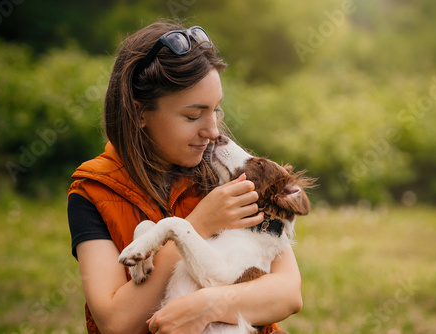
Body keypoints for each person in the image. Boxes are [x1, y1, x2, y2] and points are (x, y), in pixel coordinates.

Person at [67, 21, 302, 334]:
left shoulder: (225, 174)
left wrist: (208, 307)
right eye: (193, 116)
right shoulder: (93, 191)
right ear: (139, 114)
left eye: (216, 110)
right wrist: (200, 224)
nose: (213, 131)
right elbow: (116, 322)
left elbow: (288, 294)